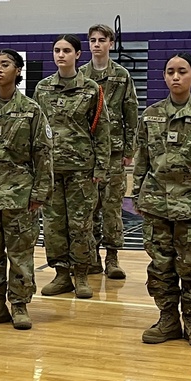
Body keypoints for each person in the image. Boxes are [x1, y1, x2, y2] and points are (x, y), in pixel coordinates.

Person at [133, 52, 191, 349]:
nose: (176, 77)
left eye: (182, 71)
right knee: (160, 266)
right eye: (170, 71)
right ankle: (168, 320)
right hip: (157, 204)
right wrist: (137, 194)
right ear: (164, 76)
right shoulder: (151, 115)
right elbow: (142, 160)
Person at [0, 50, 53, 330]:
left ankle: (19, 304)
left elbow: (43, 153)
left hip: (19, 193)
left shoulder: (31, 110)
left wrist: (40, 193)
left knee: (20, 252)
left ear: (18, 71)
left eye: (5, 65)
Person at [35, 34, 110, 300]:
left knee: (80, 225)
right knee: (54, 225)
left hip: (82, 170)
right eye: (57, 50)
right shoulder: (43, 88)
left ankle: (81, 274)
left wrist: (101, 168)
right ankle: (61, 275)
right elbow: (37, 130)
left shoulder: (91, 89)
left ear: (78, 55)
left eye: (66, 50)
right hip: (51, 169)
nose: (61, 55)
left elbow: (102, 130)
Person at [80, 23, 139, 280]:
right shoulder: (80, 75)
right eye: (93, 40)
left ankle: (112, 257)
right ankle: (92, 256)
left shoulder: (121, 76)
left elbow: (131, 112)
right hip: (87, 151)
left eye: (102, 40)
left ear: (111, 44)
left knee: (112, 207)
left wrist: (129, 148)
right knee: (88, 206)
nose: (97, 44)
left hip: (114, 151)